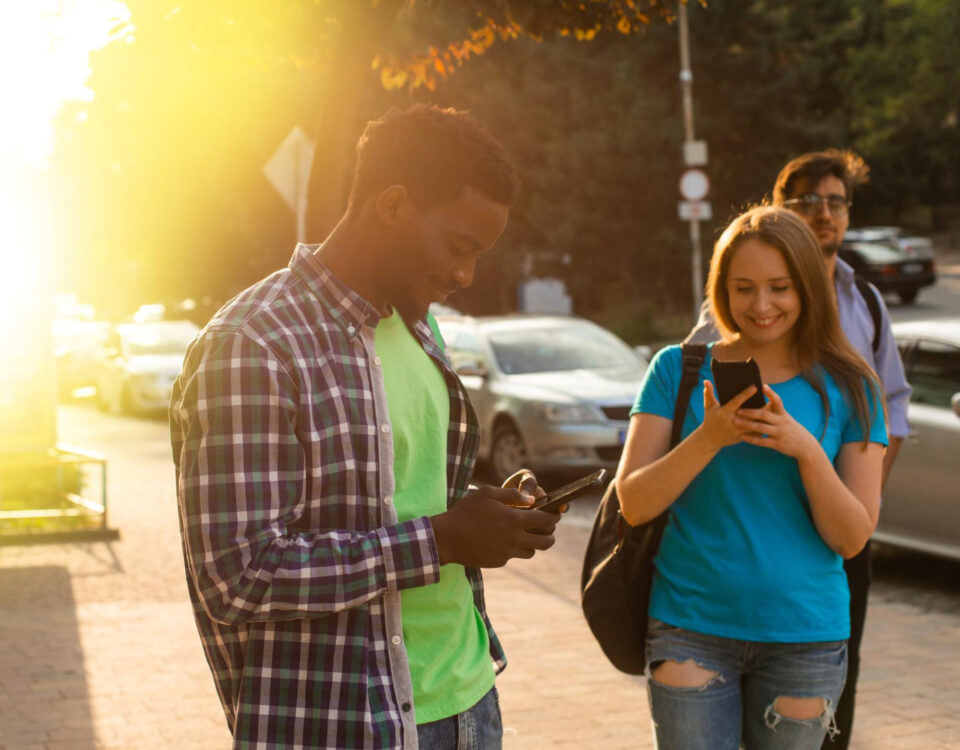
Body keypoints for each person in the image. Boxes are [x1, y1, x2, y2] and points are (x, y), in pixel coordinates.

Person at [170, 104, 561, 750]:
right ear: (392, 205)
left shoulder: (418, 322)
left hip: (471, 699)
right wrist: (439, 540)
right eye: (460, 247)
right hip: (345, 723)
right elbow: (238, 578)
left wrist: (483, 516)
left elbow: (415, 501)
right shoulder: (254, 344)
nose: (466, 276)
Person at [617, 205, 888, 750]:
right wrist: (710, 436)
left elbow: (852, 537)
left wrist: (806, 450)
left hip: (805, 636)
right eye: (744, 288)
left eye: (779, 287)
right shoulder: (677, 369)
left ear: (807, 287)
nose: (761, 306)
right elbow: (633, 502)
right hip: (690, 623)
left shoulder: (852, 385)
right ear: (722, 289)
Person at [688, 149, 911, 749]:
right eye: (807, 202)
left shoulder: (864, 299)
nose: (824, 214)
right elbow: (695, 384)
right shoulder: (737, 305)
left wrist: (858, 490)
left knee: (841, 665)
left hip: (839, 521)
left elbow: (892, 404)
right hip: (742, 540)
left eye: (835, 202)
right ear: (780, 210)